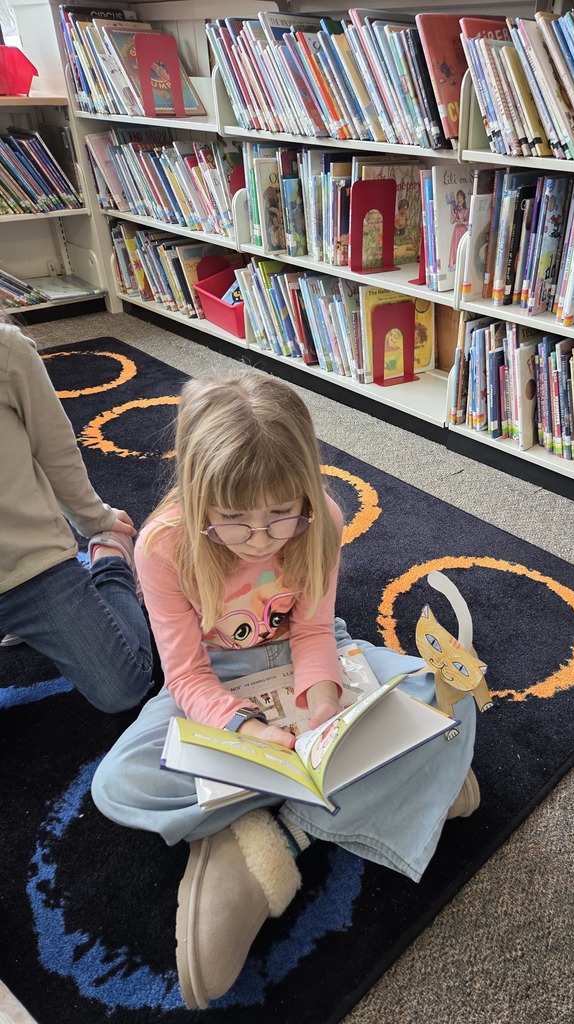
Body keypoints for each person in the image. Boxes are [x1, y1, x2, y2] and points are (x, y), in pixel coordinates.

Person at [91, 369, 478, 1010]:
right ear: (198, 497)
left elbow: (315, 629)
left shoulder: (321, 518)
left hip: (309, 656)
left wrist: (324, 701)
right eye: (234, 521)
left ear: (304, 487)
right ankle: (384, 791)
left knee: (447, 693)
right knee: (119, 783)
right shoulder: (163, 546)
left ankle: (282, 828)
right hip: (218, 675)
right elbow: (186, 675)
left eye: (280, 516)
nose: (262, 538)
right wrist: (244, 729)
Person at [0, 317, 153, 712]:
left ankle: (110, 557)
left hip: (26, 564)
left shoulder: (6, 349)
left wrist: (96, 522)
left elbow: (55, 449)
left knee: (124, 686)